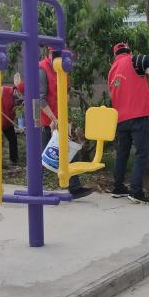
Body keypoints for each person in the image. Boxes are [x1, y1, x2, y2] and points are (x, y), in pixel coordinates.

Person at [38, 49, 93, 199]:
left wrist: (66, 96)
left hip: (59, 119)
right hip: (45, 121)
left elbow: (66, 91)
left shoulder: (63, 68)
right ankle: (35, 188)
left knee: (69, 151)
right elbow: (40, 99)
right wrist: (53, 119)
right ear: (51, 55)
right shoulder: (42, 69)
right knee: (42, 155)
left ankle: (75, 187)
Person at [108, 42, 149, 203]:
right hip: (137, 115)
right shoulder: (133, 60)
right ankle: (136, 191)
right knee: (142, 153)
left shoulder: (112, 70)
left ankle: (118, 187)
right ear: (128, 51)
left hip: (120, 118)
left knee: (122, 153)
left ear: (115, 54)